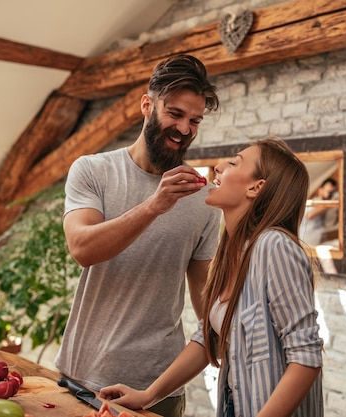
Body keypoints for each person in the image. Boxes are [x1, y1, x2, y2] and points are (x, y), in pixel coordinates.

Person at [101, 138, 324, 417]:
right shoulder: (233, 250)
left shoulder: (274, 246)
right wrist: (147, 395)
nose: (218, 167)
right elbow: (210, 337)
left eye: (233, 163)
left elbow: (306, 357)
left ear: (256, 187)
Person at [54, 54, 221, 417]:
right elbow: (82, 247)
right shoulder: (92, 170)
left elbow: (205, 300)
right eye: (174, 114)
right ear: (147, 105)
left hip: (157, 388)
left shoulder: (204, 198)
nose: (184, 128)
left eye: (194, 120)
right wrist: (154, 205)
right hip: (83, 377)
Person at [300, 178, 338, 246]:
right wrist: (331, 204)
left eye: (333, 192)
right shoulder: (312, 203)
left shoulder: (329, 207)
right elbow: (309, 215)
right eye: (329, 191)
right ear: (320, 190)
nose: (331, 194)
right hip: (307, 242)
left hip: (318, 241)